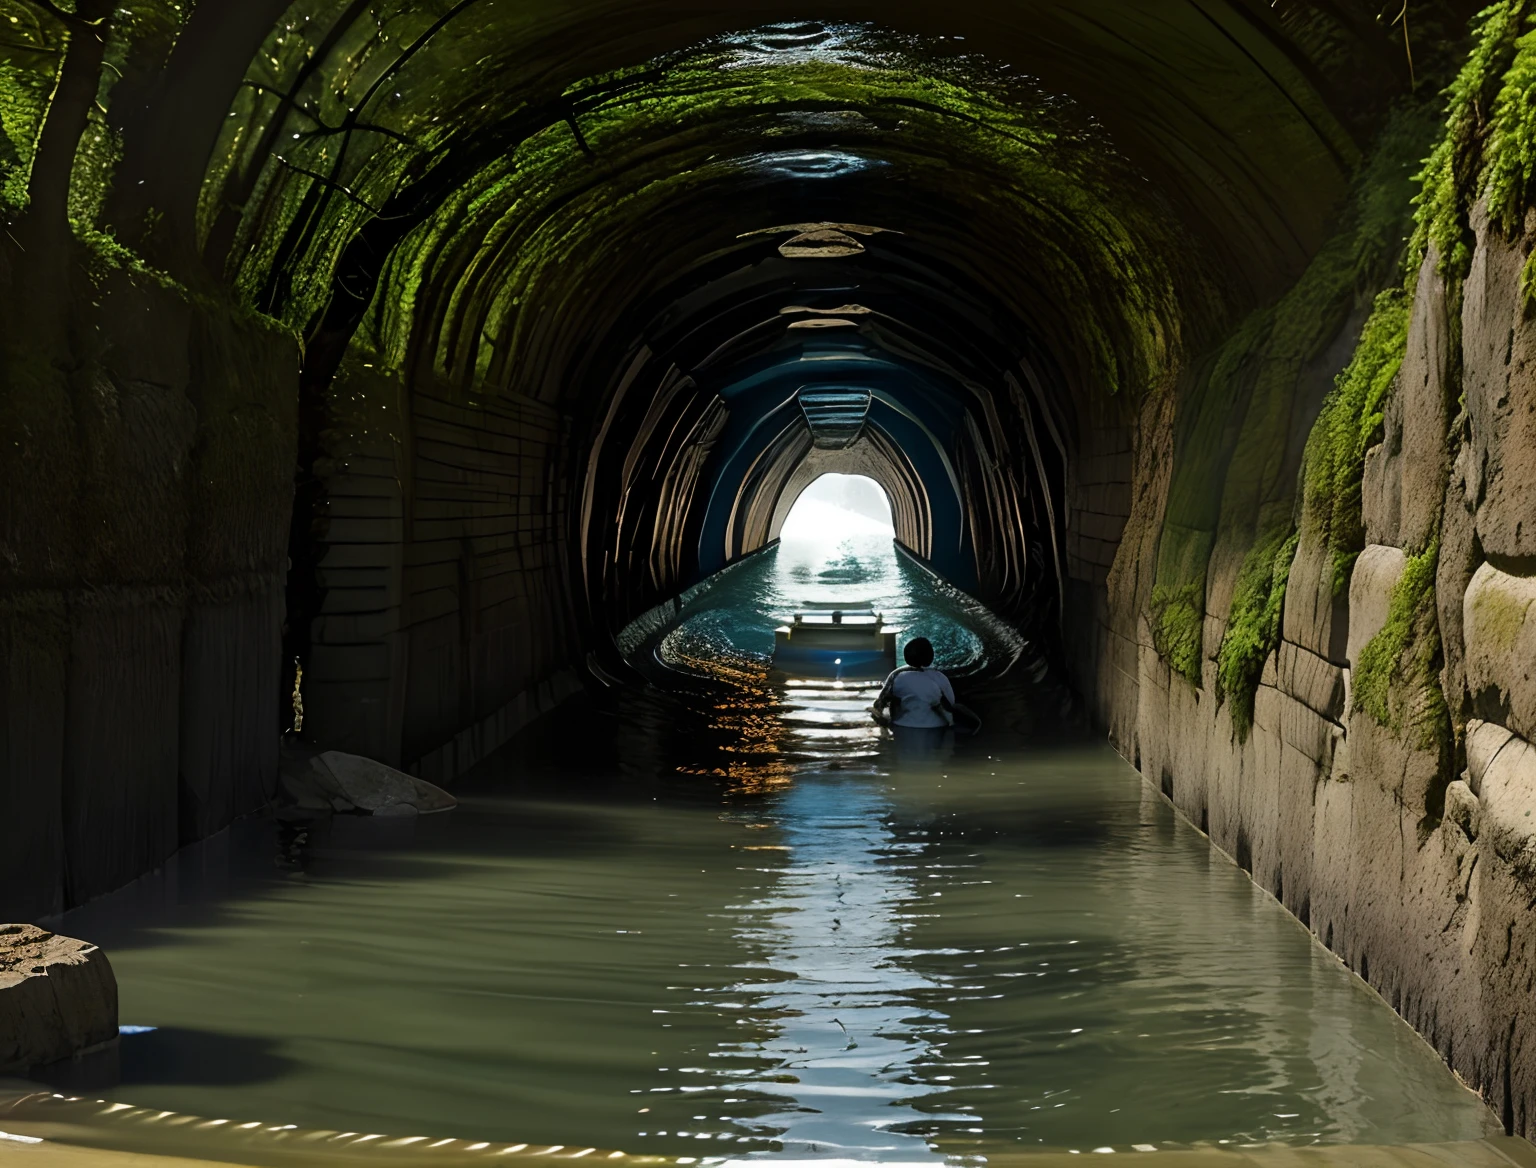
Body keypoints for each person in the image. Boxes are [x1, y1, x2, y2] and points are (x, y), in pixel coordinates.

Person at [872, 637, 955, 729]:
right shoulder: (939, 676)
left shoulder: (896, 675)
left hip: (902, 724)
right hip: (935, 725)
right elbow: (951, 702)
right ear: (931, 656)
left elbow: (882, 700)